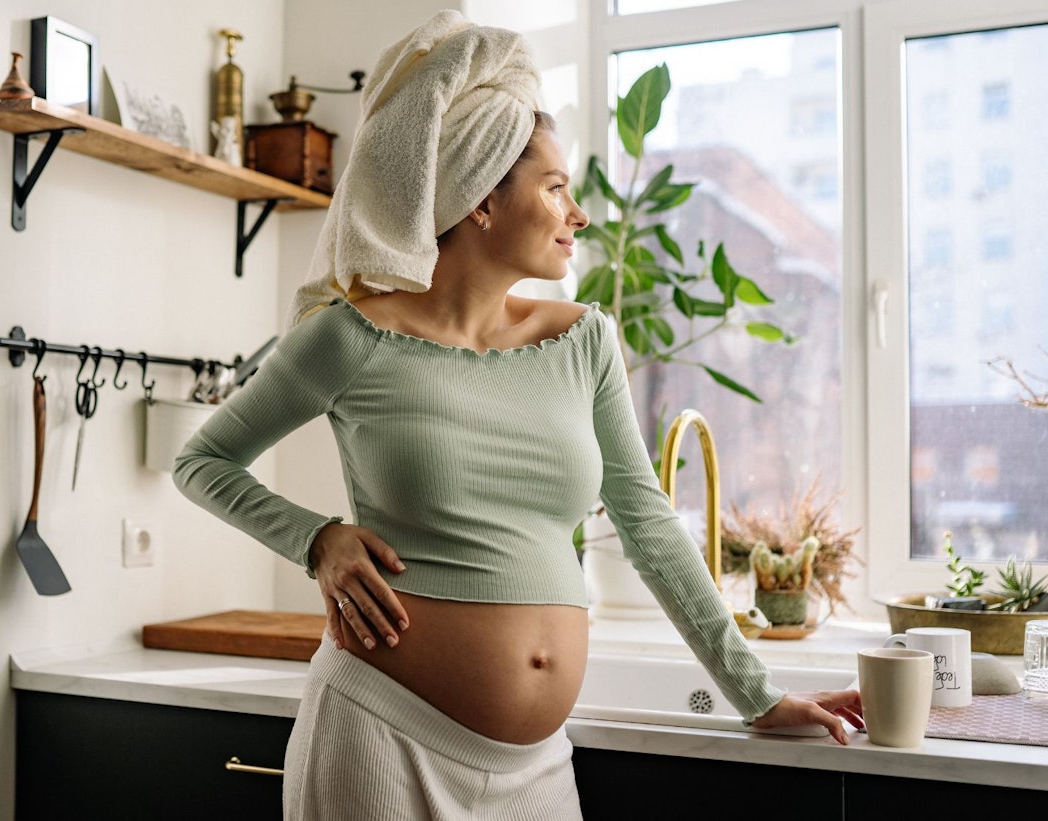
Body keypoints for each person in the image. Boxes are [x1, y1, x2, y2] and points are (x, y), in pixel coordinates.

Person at [174, 10, 863, 819]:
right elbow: (202, 462)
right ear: (481, 202)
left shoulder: (583, 340)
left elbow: (646, 521)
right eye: (557, 188)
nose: (580, 214)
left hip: (538, 769)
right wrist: (317, 540)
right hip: (378, 735)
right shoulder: (351, 336)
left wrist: (757, 692)